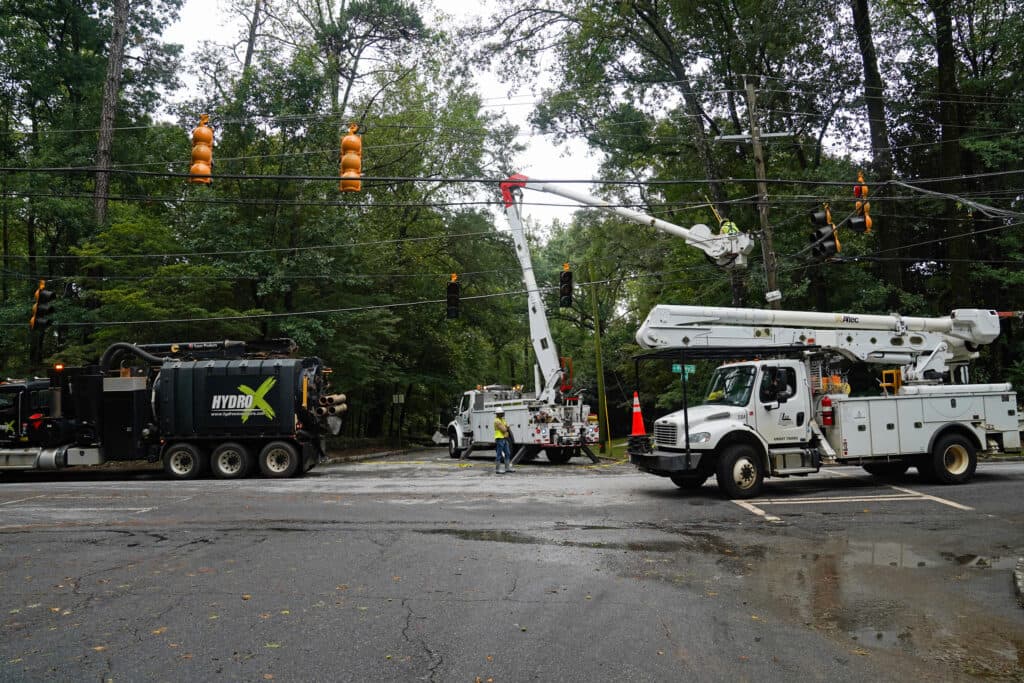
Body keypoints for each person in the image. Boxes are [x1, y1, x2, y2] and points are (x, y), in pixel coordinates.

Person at [494, 407, 512, 474]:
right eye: (501, 413)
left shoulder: (502, 420)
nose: (503, 414)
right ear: (498, 414)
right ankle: (497, 469)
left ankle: (507, 468)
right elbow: (504, 429)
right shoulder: (497, 421)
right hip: (499, 439)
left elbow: (506, 427)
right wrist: (506, 427)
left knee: (507, 453)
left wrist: (506, 427)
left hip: (504, 438)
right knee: (499, 454)